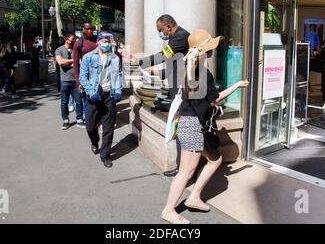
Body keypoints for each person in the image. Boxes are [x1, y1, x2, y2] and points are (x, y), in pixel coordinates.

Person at [160, 29, 249, 224]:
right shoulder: (191, 70)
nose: (211, 51)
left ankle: (194, 197)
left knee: (215, 159)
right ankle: (168, 210)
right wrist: (192, 66)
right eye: (209, 48)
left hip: (195, 122)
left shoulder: (192, 69)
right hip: (192, 123)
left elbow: (211, 98)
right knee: (186, 171)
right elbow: (193, 90)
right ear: (201, 50)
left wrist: (236, 85)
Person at [128, 14, 190, 177]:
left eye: (160, 30)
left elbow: (164, 55)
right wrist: (159, 72)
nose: (160, 34)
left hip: (181, 89)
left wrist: (140, 61)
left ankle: (183, 169)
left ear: (169, 26)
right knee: (179, 126)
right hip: (176, 88)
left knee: (181, 127)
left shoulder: (181, 37)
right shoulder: (176, 37)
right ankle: (182, 167)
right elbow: (174, 63)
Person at [80, 32, 123, 168]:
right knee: (90, 126)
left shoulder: (115, 58)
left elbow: (119, 75)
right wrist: (91, 92)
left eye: (108, 41)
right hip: (93, 97)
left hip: (108, 96)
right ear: (98, 42)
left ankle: (105, 155)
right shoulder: (88, 57)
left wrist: (118, 90)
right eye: (104, 41)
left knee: (108, 128)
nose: (106, 44)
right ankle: (94, 141)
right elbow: (83, 77)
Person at [55, 32, 85, 130]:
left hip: (77, 80)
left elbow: (82, 61)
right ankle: (65, 120)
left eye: (75, 39)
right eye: (72, 39)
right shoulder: (59, 50)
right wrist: (74, 60)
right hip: (65, 81)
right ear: (66, 39)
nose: (74, 41)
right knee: (64, 102)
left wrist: (68, 62)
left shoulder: (77, 49)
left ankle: (79, 119)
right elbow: (60, 61)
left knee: (78, 101)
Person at [72, 23, 99, 119]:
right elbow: (75, 64)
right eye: (88, 28)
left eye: (92, 28)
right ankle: (89, 119)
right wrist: (78, 82)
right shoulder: (79, 43)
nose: (90, 30)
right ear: (83, 29)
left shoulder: (98, 39)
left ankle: (98, 120)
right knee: (87, 99)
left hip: (100, 75)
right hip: (86, 76)